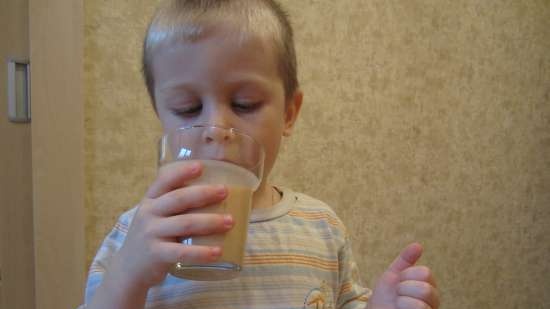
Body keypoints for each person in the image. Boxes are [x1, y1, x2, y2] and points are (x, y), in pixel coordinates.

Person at [80, 1, 439, 308]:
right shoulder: (139, 232)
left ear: (288, 113)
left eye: (244, 104)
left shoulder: (321, 227)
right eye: (187, 108)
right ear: (161, 115)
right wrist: (128, 274)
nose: (216, 128)